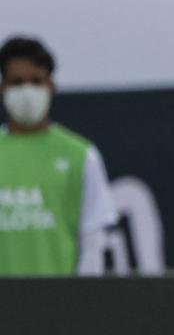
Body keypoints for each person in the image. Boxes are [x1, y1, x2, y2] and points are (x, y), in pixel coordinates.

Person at [0, 36, 117, 275]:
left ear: (51, 86)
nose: (27, 91)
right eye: (17, 82)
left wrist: (80, 302)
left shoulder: (81, 155)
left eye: (36, 81)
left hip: (58, 305)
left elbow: (92, 242)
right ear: (3, 87)